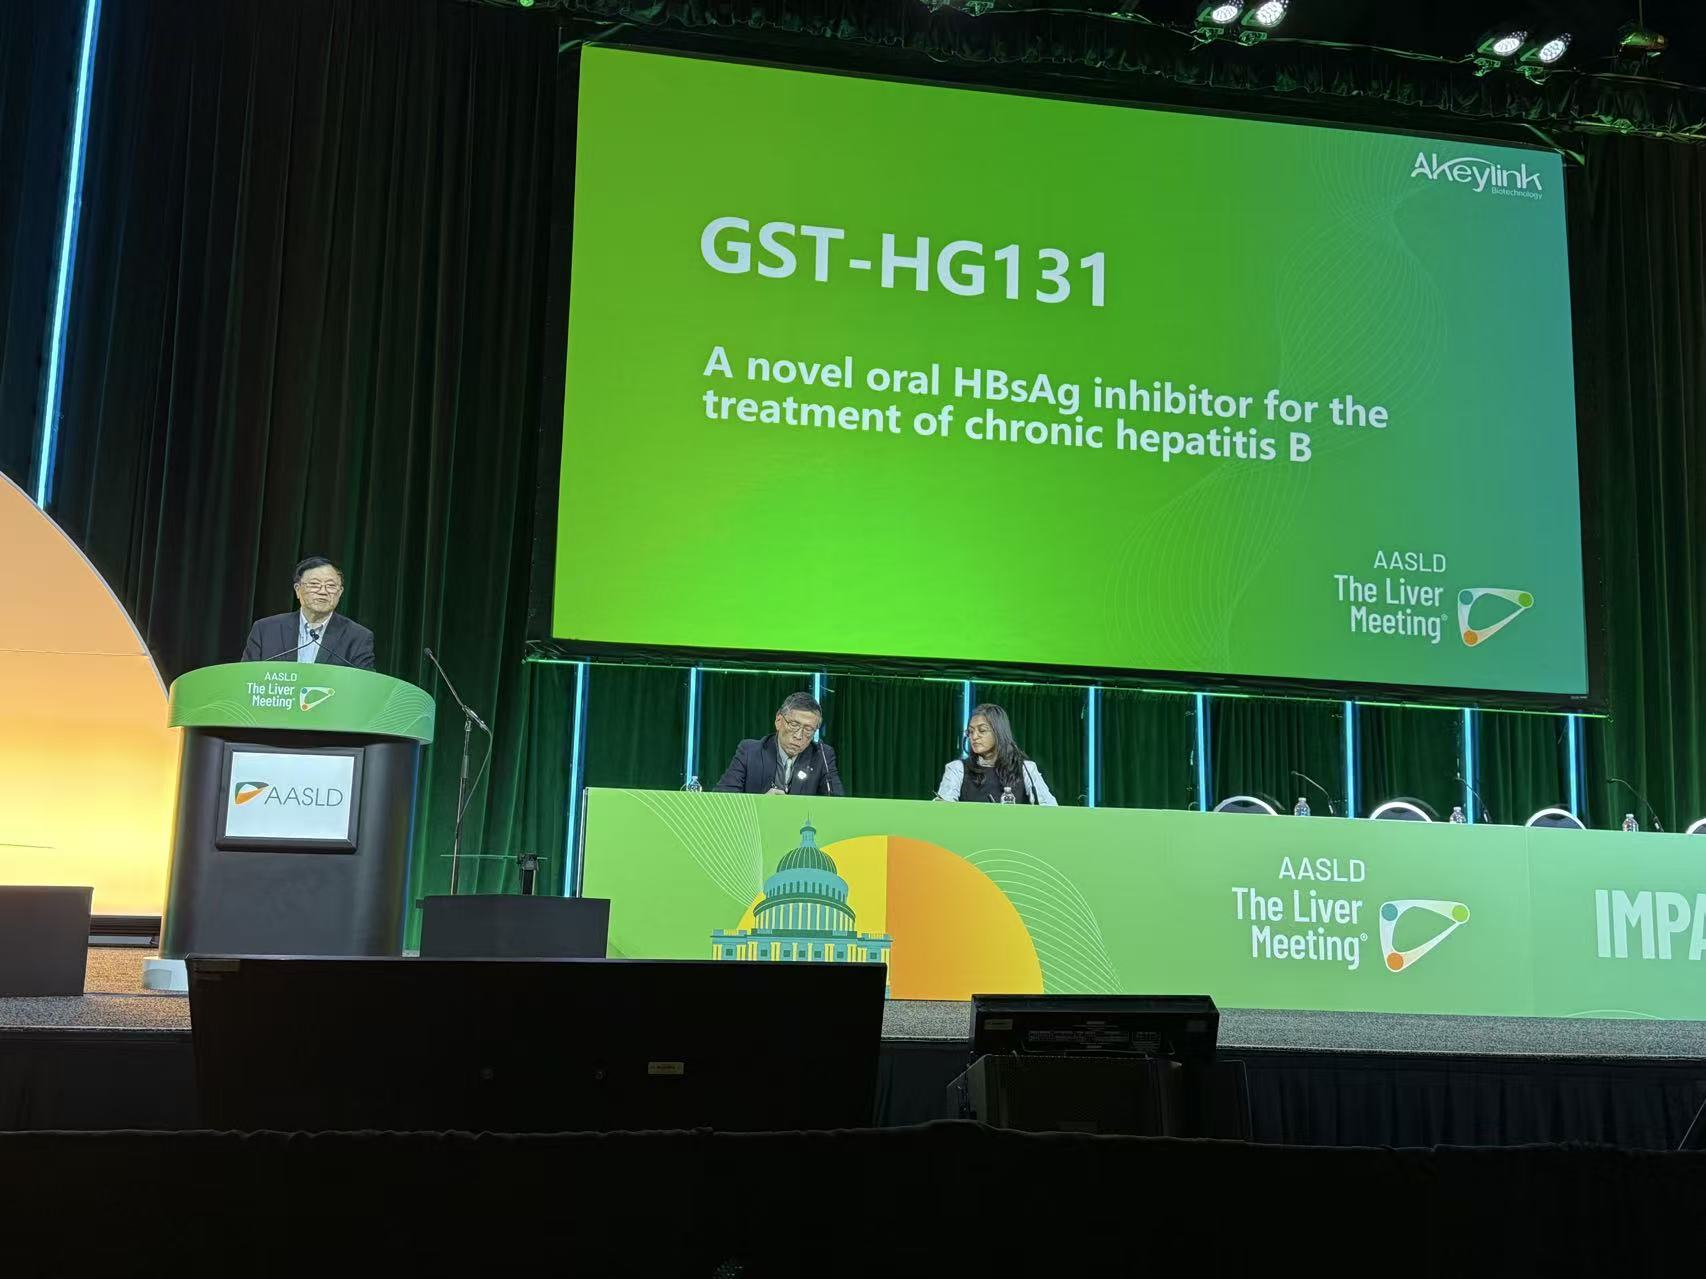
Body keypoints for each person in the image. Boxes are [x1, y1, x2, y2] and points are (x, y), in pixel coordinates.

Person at [241, 555, 376, 670]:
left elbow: (363, 685)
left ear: (340, 592)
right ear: (298, 590)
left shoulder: (358, 637)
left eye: (331, 586)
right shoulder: (266, 629)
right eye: (314, 584)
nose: (323, 591)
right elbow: (246, 677)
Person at [713, 691, 844, 796]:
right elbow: (723, 799)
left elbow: (836, 805)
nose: (799, 736)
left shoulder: (822, 756)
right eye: (794, 725)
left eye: (808, 729)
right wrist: (762, 804)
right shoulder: (750, 752)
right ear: (779, 720)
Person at [935, 702, 1057, 805]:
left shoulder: (1026, 768)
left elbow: (1050, 808)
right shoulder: (957, 768)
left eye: (982, 730)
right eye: (970, 732)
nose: (974, 737)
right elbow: (942, 811)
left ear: (999, 732)